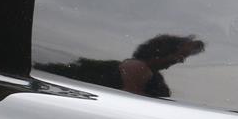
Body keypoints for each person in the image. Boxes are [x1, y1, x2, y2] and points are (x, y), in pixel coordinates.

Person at [39, 34, 205, 98]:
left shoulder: (154, 76)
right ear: (164, 50)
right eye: (181, 56)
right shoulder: (139, 70)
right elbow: (131, 100)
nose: (181, 61)